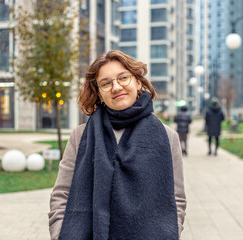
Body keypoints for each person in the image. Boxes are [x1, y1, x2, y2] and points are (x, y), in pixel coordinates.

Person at [48, 50, 186, 239]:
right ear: (99, 93)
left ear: (138, 81)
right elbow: (62, 194)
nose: (116, 87)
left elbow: (176, 199)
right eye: (106, 83)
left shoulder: (168, 137)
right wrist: (59, 234)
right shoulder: (80, 137)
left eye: (123, 78)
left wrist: (169, 234)